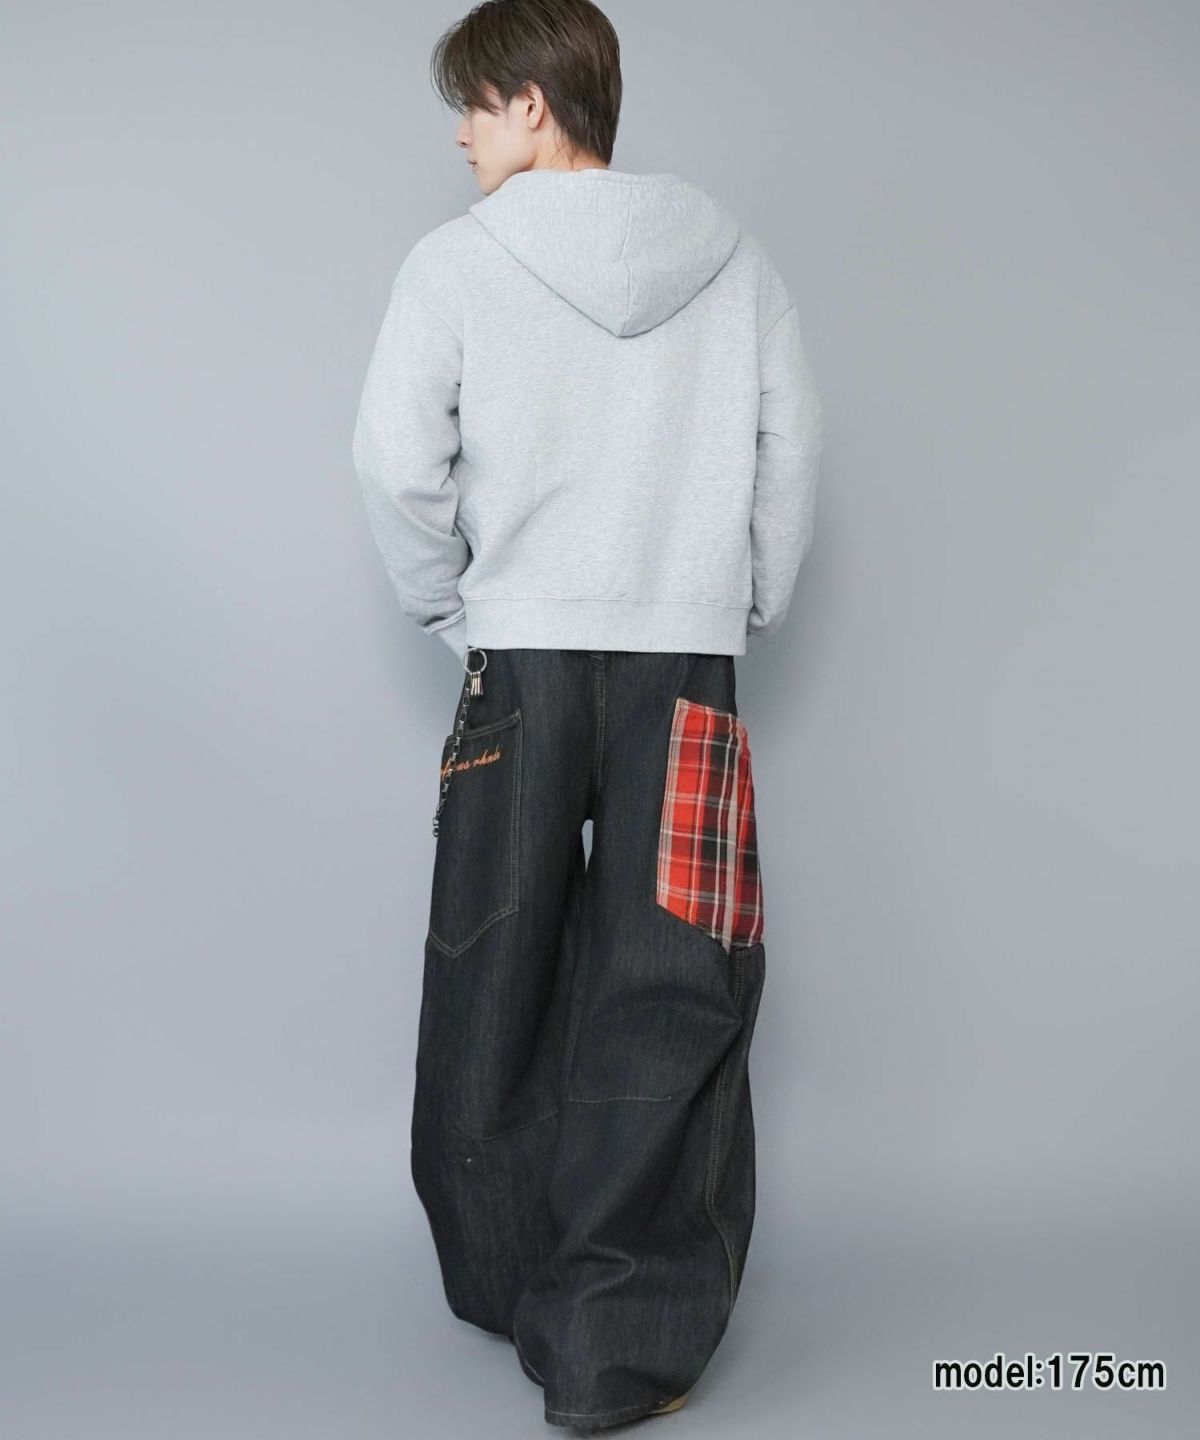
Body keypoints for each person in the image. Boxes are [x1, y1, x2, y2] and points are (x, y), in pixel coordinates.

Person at [351, 0, 823, 1429]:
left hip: (523, 662)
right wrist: (737, 604)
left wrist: (455, 612)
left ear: (536, 103)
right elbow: (790, 453)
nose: (461, 133)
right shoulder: (736, 261)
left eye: (476, 104)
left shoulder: (455, 263)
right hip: (685, 665)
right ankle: (618, 1346)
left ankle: (515, 1286)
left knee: (492, 966)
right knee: (671, 980)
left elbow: (394, 464)